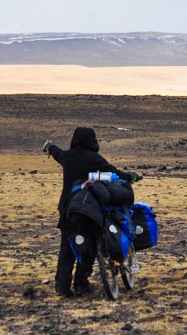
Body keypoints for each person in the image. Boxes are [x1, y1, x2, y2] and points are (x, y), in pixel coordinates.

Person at [43, 127, 140, 297]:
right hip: (89, 210)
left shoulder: (68, 156)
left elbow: (57, 152)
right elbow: (114, 172)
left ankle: (62, 287)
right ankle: (81, 284)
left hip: (68, 210)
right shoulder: (95, 159)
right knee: (90, 246)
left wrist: (49, 147)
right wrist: (130, 176)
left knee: (67, 247)